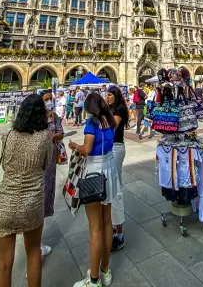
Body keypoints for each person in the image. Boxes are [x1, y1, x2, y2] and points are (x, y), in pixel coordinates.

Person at [0, 94, 54, 287]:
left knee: (3, 266)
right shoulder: (45, 137)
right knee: (34, 253)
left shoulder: (8, 136)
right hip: (32, 203)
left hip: (5, 204)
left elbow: (5, 166)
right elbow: (46, 165)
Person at [68, 92, 120, 287]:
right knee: (107, 223)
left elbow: (87, 150)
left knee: (95, 228)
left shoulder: (92, 123)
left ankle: (94, 279)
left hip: (94, 171)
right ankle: (105, 270)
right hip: (109, 168)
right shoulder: (110, 121)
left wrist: (74, 145)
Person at [41, 89, 65, 256]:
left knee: (46, 195)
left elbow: (61, 133)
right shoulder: (36, 118)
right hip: (37, 162)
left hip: (50, 162)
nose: (50, 101)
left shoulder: (54, 117)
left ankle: (38, 238)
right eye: (46, 99)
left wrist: (54, 136)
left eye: (51, 98)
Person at [105, 86, 129, 253]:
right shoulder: (112, 109)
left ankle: (119, 233)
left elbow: (112, 128)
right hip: (110, 148)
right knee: (111, 188)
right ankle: (114, 225)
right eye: (106, 95)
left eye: (109, 95)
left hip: (116, 147)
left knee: (116, 188)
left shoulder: (119, 109)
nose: (107, 97)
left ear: (116, 96)